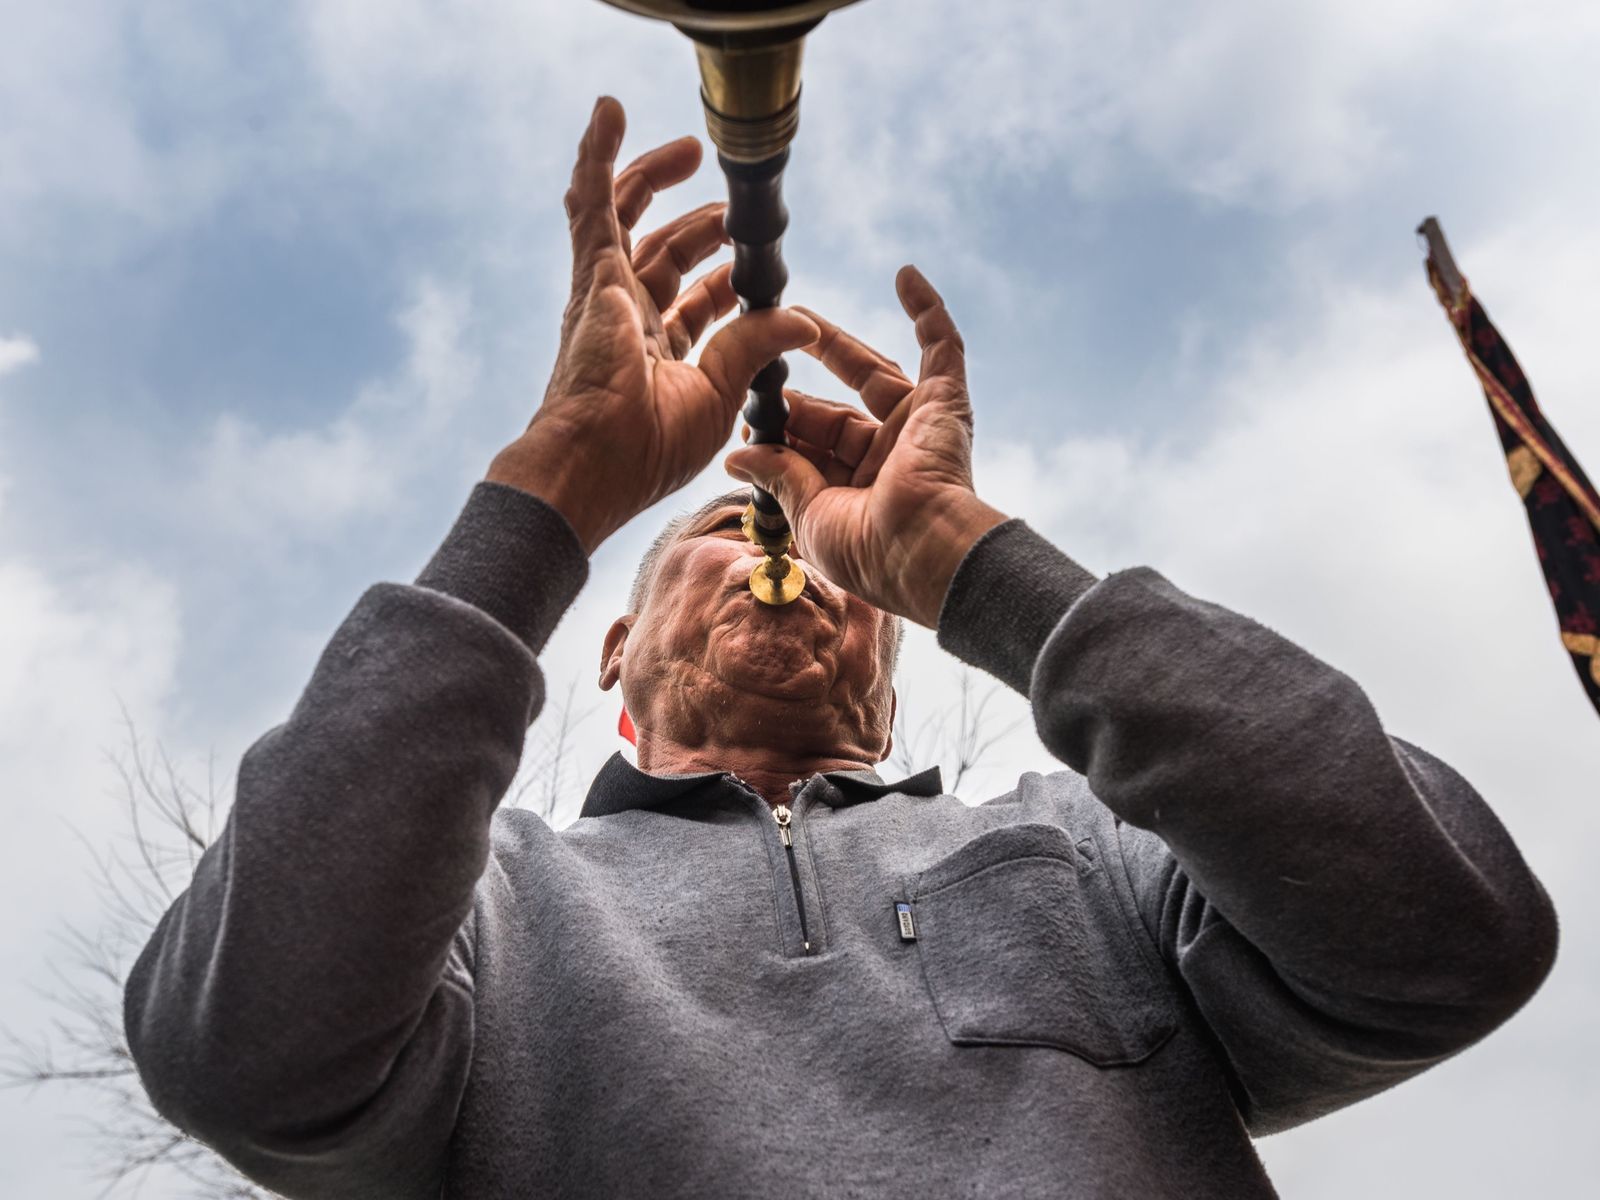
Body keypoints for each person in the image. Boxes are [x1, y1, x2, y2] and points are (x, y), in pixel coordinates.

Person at [124, 97, 1557, 1199]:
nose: (780, 562)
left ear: (889, 666)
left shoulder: (1085, 856)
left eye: (826, 567)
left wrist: (974, 563)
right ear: (616, 649)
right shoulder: (485, 912)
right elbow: (246, 1053)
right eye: (712, 535)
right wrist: (549, 496)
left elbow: (1451, 928)